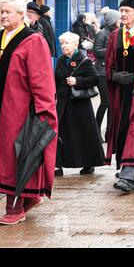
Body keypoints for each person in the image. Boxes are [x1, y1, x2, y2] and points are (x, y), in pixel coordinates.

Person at [0, 0, 58, 225]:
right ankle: (30, 196)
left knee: (17, 155)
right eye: (1, 11)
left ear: (22, 15)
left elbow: (42, 79)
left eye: (8, 12)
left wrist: (44, 111)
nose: (3, 16)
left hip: (21, 111)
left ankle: (16, 206)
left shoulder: (33, 40)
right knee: (2, 155)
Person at [54, 32, 105, 177]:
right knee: (61, 134)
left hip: (80, 105)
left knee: (83, 135)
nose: (63, 46)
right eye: (62, 43)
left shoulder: (83, 60)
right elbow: (56, 79)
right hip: (63, 104)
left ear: (75, 45)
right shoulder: (61, 60)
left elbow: (94, 78)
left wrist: (78, 82)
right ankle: (58, 165)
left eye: (66, 43)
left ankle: (88, 163)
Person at [105, 0, 134, 193]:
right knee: (125, 132)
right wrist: (114, 76)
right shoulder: (116, 36)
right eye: (121, 10)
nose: (122, 14)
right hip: (122, 95)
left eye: (126, 10)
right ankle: (132, 174)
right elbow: (109, 67)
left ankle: (127, 174)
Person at [93, 9, 121, 141]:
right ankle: (95, 131)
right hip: (101, 73)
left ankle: (109, 134)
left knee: (112, 105)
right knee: (105, 103)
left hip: (111, 72)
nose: (120, 21)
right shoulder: (102, 34)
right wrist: (112, 47)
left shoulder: (117, 33)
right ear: (112, 21)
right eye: (118, 19)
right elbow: (96, 52)